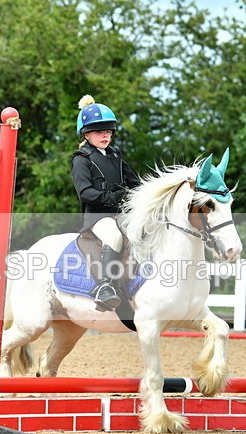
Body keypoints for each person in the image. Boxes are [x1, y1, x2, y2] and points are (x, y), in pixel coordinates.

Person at [71, 95, 140, 311]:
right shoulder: (81, 158)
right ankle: (104, 286)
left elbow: (135, 182)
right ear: (86, 134)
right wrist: (115, 197)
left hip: (121, 214)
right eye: (99, 131)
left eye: (108, 131)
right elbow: (85, 193)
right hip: (97, 217)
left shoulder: (115, 155)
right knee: (115, 237)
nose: (105, 135)